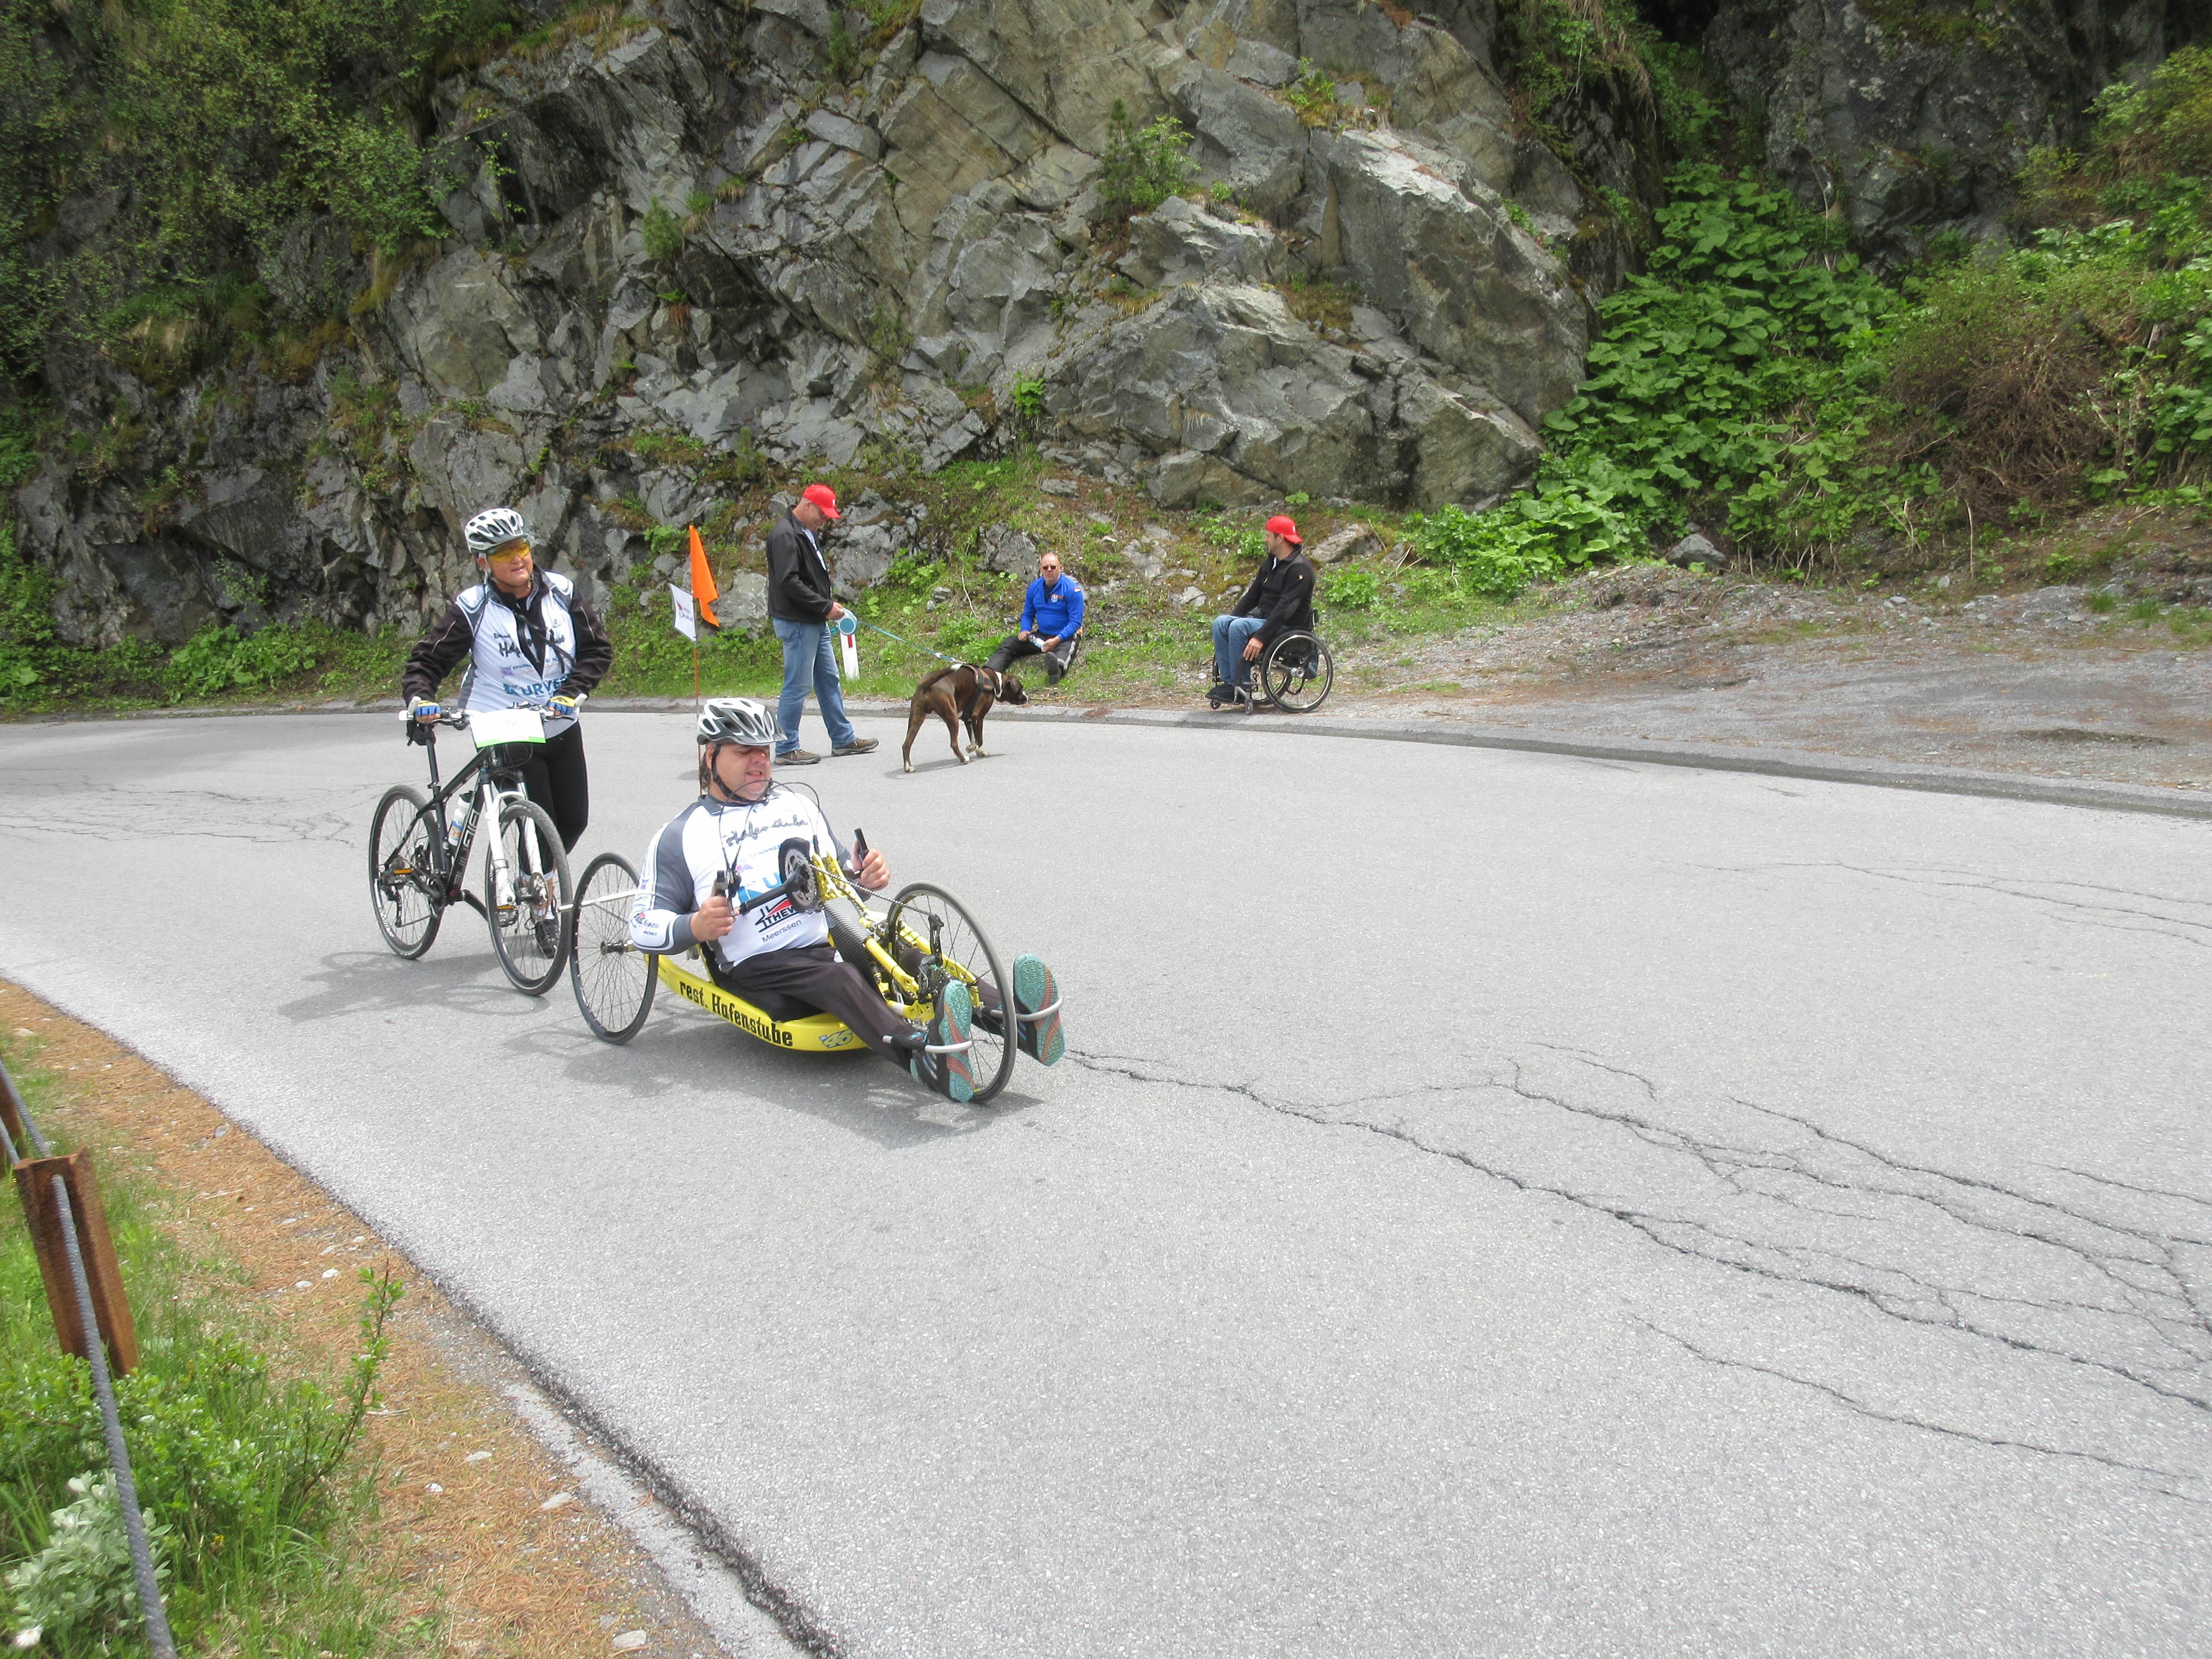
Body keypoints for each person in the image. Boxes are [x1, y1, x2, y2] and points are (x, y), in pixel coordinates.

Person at [628, 698, 1065, 1102]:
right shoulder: (681, 836)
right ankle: (926, 1056)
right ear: (710, 757)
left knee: (912, 955)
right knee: (839, 979)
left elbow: (838, 877)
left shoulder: (796, 804)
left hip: (827, 932)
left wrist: (864, 875)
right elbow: (642, 923)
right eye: (745, 751)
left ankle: (1019, 1023)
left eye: (765, 748)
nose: (761, 759)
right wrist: (697, 927)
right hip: (760, 961)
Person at [402, 506, 612, 850]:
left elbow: (597, 651)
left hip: (558, 721)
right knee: (537, 823)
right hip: (502, 725)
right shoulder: (473, 608)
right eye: (503, 553)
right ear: (483, 563)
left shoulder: (563, 592)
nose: (517, 559)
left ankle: (537, 880)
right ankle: (534, 896)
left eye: (521, 548)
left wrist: (571, 692)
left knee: (574, 822)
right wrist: (421, 698)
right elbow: (427, 660)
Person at [765, 483, 877, 765]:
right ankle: (787, 747)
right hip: (798, 622)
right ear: (809, 505)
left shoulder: (807, 532)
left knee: (829, 680)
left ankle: (843, 739)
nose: (825, 520)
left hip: (814, 620)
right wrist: (825, 606)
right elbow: (789, 582)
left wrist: (825, 606)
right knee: (798, 685)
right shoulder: (784, 535)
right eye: (823, 514)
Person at [1207, 513, 1315, 703]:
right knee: (1222, 623)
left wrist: (1260, 637)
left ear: (1280, 538)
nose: (1265, 539)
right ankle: (1229, 684)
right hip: (1262, 620)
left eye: (1268, 535)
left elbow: (1285, 609)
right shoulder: (1270, 563)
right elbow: (1252, 597)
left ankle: (1241, 686)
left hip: (1286, 627)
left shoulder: (1300, 569)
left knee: (1238, 627)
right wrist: (1233, 620)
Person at [985, 550, 1086, 685]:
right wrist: (1025, 630)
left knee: (1062, 656)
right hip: (1042, 635)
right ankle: (990, 672)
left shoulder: (1072, 590)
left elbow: (1075, 623)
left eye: (1053, 567)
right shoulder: (1034, 588)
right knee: (1010, 643)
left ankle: (1056, 671)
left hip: (1066, 637)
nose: (1049, 570)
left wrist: (1056, 640)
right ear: (1041, 570)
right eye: (1045, 568)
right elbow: (1028, 614)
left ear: (1060, 568)